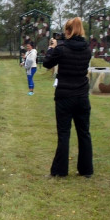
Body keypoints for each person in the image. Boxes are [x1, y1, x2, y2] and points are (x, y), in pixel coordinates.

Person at [42, 17, 94, 178]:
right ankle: (86, 170)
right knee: (84, 132)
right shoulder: (87, 49)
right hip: (82, 95)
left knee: (64, 133)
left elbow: (47, 63)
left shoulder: (61, 48)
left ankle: (60, 170)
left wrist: (51, 48)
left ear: (68, 31)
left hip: (65, 95)